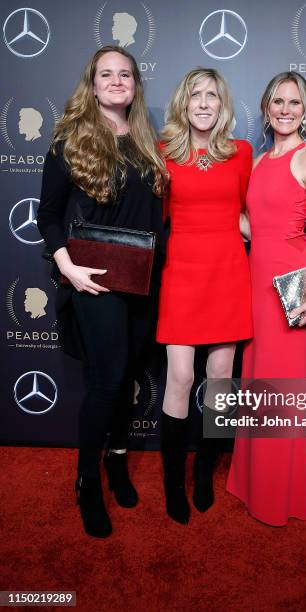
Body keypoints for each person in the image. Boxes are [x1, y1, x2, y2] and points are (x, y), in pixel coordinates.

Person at [37, 45, 167, 538]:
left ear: (135, 83)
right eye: (106, 74)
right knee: (108, 382)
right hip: (93, 282)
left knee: (131, 375)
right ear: (91, 85)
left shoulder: (146, 141)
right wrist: (68, 268)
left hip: (143, 281)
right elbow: (48, 215)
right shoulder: (70, 141)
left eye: (125, 74)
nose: (116, 81)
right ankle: (87, 482)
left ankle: (116, 460)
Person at [227, 72, 306, 526]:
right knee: (255, 379)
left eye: (294, 102)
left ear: (304, 109)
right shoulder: (258, 161)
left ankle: (277, 491)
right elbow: (254, 227)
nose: (285, 110)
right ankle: (254, 478)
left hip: (292, 282)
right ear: (267, 107)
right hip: (254, 281)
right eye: (277, 102)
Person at [157, 68, 253, 524]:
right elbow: (151, 218)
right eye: (194, 94)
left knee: (219, 379)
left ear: (222, 104)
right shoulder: (162, 153)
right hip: (182, 276)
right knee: (179, 377)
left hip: (229, 274)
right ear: (183, 102)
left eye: (211, 95)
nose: (202, 103)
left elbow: (251, 216)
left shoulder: (241, 153)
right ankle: (173, 482)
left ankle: (203, 476)